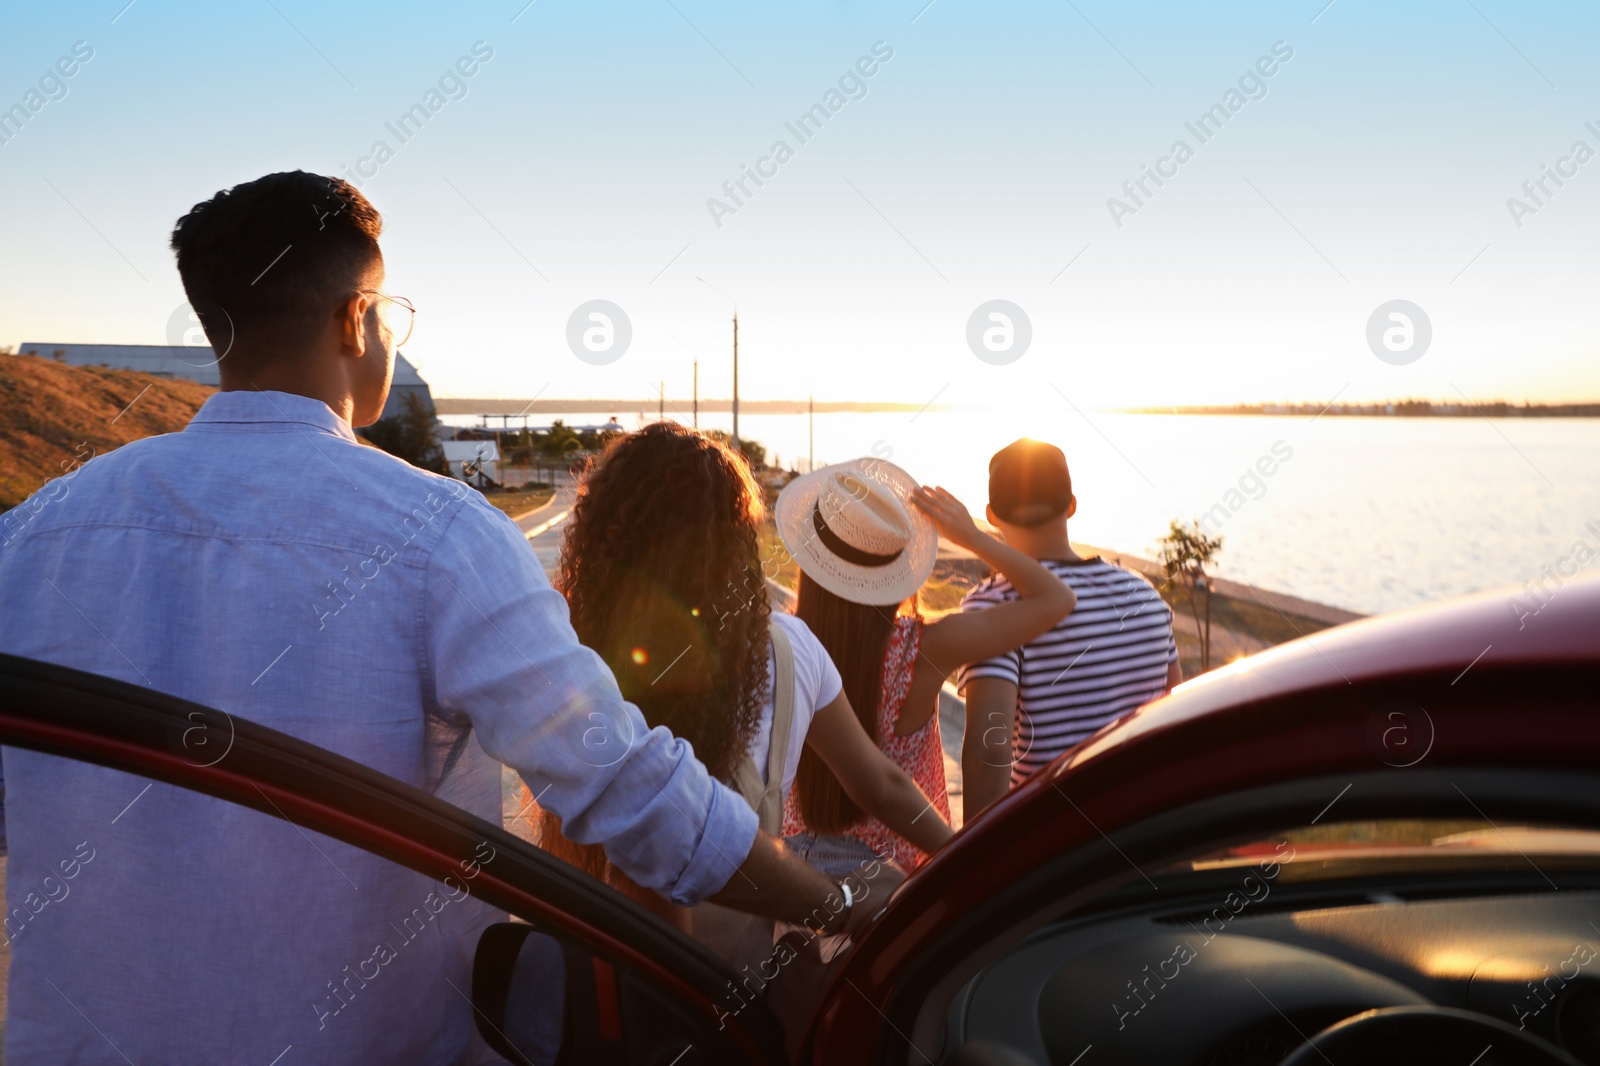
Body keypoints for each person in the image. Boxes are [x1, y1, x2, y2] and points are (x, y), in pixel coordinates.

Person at [0, 171, 854, 1065]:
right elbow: (626, 786)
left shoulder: (36, 533)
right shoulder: (439, 534)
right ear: (353, 318)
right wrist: (832, 904)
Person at [530, 424, 952, 963]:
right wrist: (960, 857)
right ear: (738, 541)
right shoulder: (792, 648)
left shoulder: (570, 656)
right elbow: (884, 785)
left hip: (597, 983)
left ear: (599, 535)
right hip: (733, 995)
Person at [775, 459, 1077, 872]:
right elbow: (1056, 599)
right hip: (898, 879)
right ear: (894, 570)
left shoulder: (786, 643)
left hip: (795, 870)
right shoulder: (921, 648)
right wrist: (974, 538)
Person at [957, 439, 1180, 819]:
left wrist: (974, 866)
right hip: (1152, 831)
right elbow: (1175, 712)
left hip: (1058, 852)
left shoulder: (995, 605)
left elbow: (989, 751)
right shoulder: (1143, 594)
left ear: (992, 516)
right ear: (1072, 505)